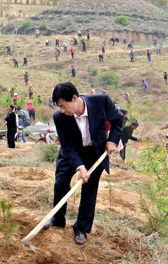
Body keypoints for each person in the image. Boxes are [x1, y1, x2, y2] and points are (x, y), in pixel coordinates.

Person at [43, 82, 123, 245]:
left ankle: (81, 229)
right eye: (59, 107)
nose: (62, 111)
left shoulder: (102, 102)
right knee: (60, 183)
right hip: (71, 151)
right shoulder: (59, 117)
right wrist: (80, 167)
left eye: (64, 106)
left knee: (89, 191)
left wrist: (113, 141)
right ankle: (58, 219)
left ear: (74, 98)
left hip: (94, 151)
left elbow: (117, 120)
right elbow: (68, 146)